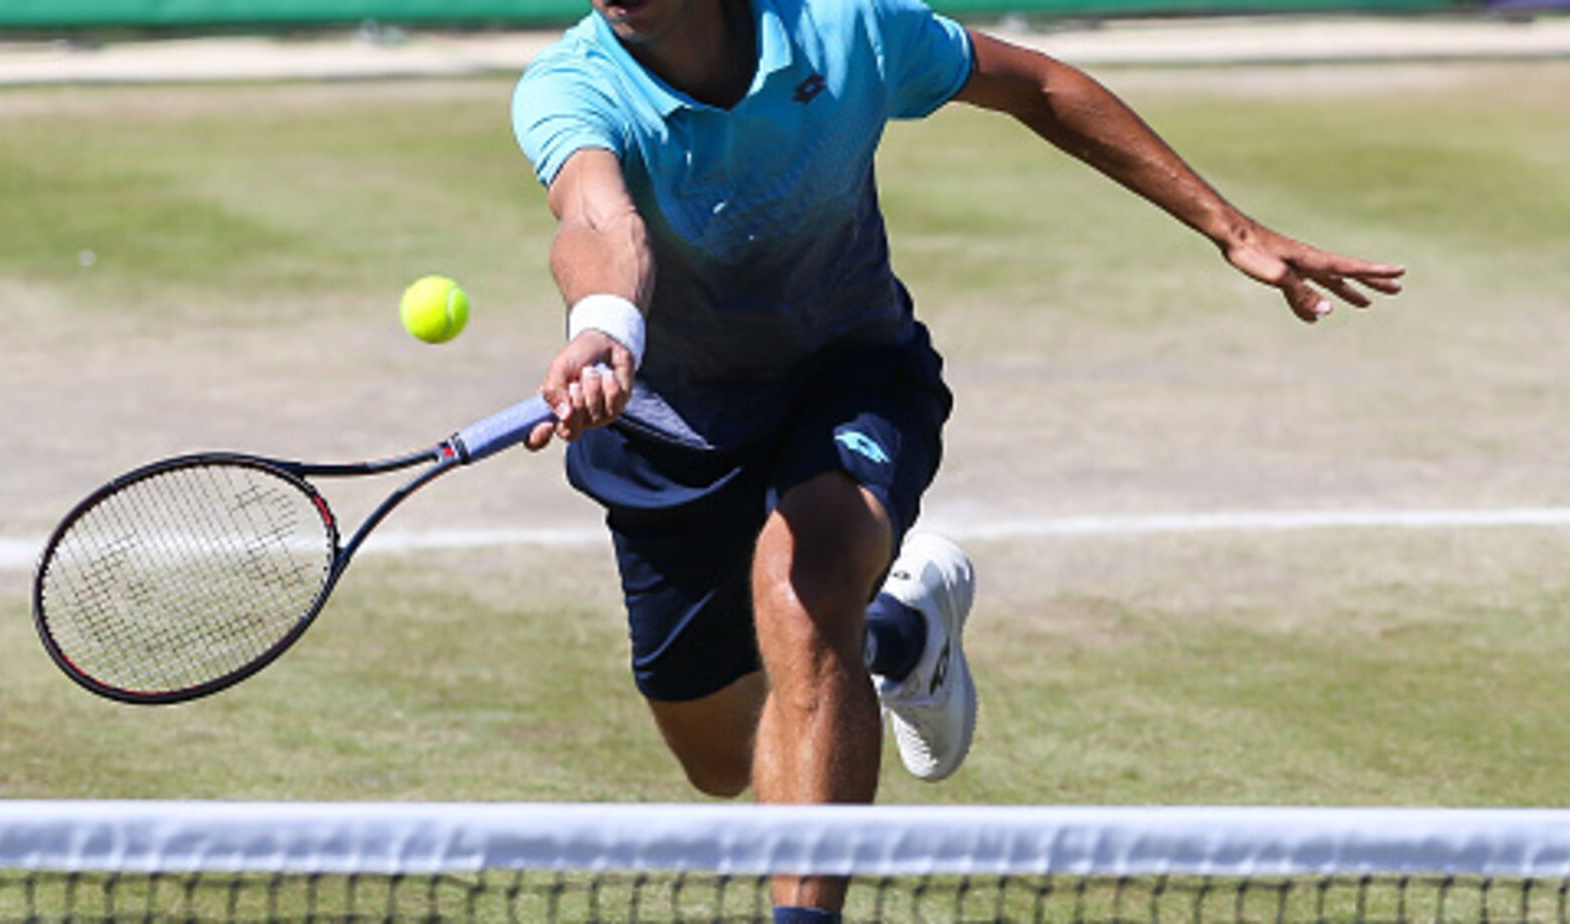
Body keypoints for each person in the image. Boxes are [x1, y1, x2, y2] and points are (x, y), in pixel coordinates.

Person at [508, 0, 1403, 918]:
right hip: (671, 430)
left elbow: (1041, 85)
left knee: (803, 587)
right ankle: (901, 633)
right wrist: (606, 327)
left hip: (848, 374)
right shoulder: (569, 87)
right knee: (724, 760)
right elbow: (597, 218)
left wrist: (1232, 228)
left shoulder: (847, 29)